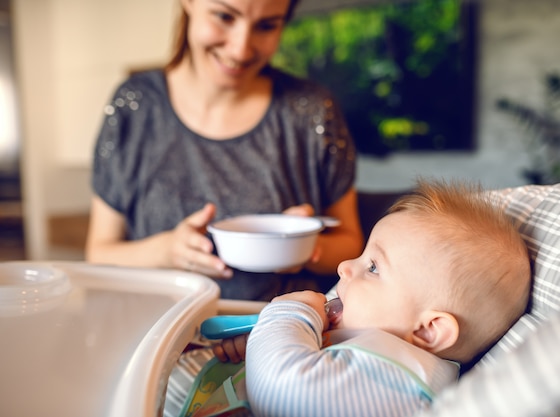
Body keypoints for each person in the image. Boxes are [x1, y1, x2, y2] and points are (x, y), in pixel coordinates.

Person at [168, 178, 532, 417]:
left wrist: (287, 315)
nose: (345, 266)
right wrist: (258, 345)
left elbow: (281, 389)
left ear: (428, 331)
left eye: (373, 267)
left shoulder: (398, 379)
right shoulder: (378, 351)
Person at [85, 0, 364, 300]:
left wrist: (303, 247)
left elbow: (351, 244)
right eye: (224, 16)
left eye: (267, 26)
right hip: (161, 333)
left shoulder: (311, 110)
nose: (240, 49)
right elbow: (98, 253)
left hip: (283, 335)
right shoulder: (136, 105)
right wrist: (166, 252)